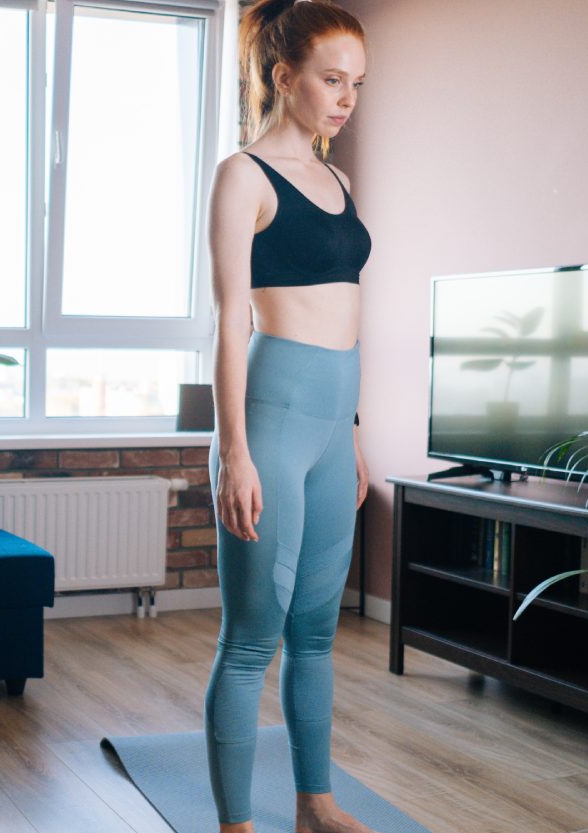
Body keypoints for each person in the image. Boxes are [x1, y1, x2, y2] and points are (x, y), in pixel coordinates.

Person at [204, 1, 374, 832]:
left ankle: (315, 804)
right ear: (283, 76)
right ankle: (237, 824)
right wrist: (234, 452)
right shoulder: (242, 174)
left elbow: (350, 314)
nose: (345, 98)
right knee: (250, 639)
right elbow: (231, 320)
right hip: (267, 425)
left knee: (315, 633)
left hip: (330, 427)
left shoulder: (339, 179)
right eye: (330, 79)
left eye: (356, 85)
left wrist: (352, 435)